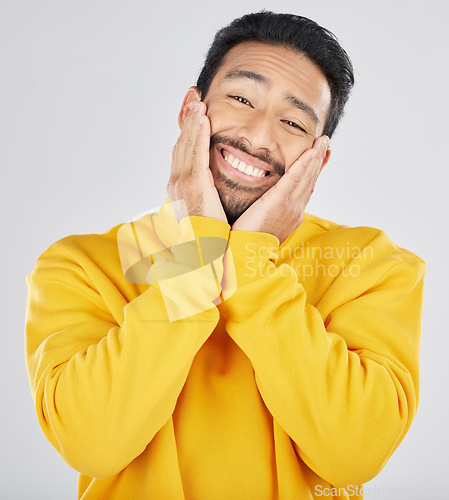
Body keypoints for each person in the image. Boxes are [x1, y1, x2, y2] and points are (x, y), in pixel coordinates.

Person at [25, 11, 425, 500]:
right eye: (241, 98)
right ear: (189, 111)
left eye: (294, 121)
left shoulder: (370, 263)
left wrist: (252, 262)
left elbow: (354, 454)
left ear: (317, 159)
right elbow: (90, 444)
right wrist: (198, 252)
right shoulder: (81, 266)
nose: (258, 136)